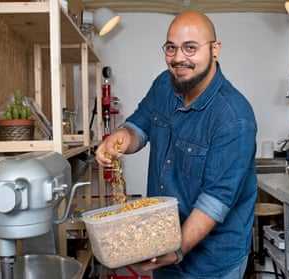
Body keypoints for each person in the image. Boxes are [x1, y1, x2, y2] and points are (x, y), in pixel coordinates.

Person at [95, 11, 257, 279]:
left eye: (190, 48)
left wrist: (176, 249)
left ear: (215, 49)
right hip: (163, 243)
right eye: (171, 48)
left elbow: (215, 200)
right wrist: (120, 137)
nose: (178, 58)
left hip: (212, 263)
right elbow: (140, 125)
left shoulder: (234, 118)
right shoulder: (164, 84)